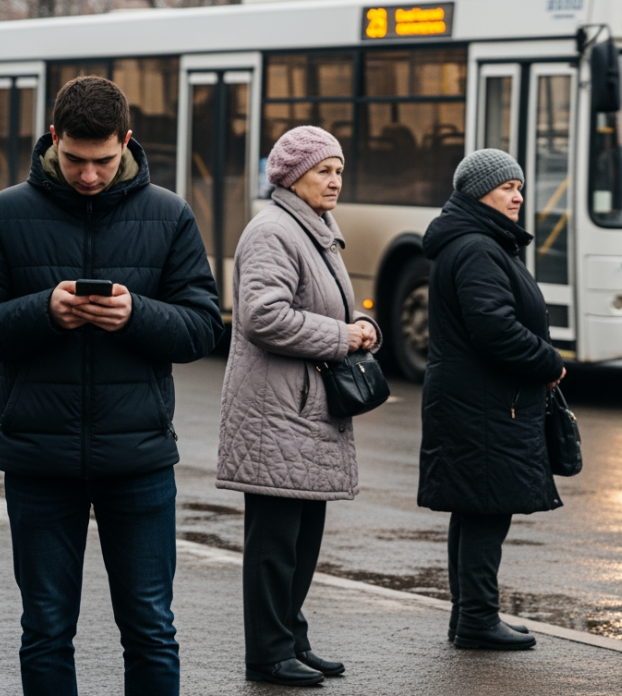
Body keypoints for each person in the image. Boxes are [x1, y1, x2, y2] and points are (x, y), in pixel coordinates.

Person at [0, 76, 223, 695]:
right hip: (39, 458)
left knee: (151, 628)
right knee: (45, 629)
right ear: (53, 139)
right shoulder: (5, 213)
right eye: (75, 159)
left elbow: (204, 330)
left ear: (126, 141)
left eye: (103, 160)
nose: (90, 175)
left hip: (140, 459)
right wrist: (44, 310)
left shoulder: (170, 214)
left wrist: (138, 315)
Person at [216, 126, 379, 687]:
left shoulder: (314, 229)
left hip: (303, 411)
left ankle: (292, 639)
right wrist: (342, 336)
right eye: (323, 171)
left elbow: (330, 306)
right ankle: (267, 653)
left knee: (302, 540)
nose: (335, 180)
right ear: (291, 176)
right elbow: (261, 316)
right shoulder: (273, 232)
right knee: (275, 546)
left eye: (338, 169)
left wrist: (362, 328)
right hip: (275, 415)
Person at [417, 148, 565, 651]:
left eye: (519, 186)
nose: (518, 195)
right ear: (480, 193)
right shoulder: (478, 247)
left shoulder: (476, 241)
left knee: (475, 507)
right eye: (507, 187)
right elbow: (494, 328)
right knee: (485, 507)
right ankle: (477, 619)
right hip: (480, 402)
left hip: (471, 398)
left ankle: (472, 615)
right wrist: (548, 361)